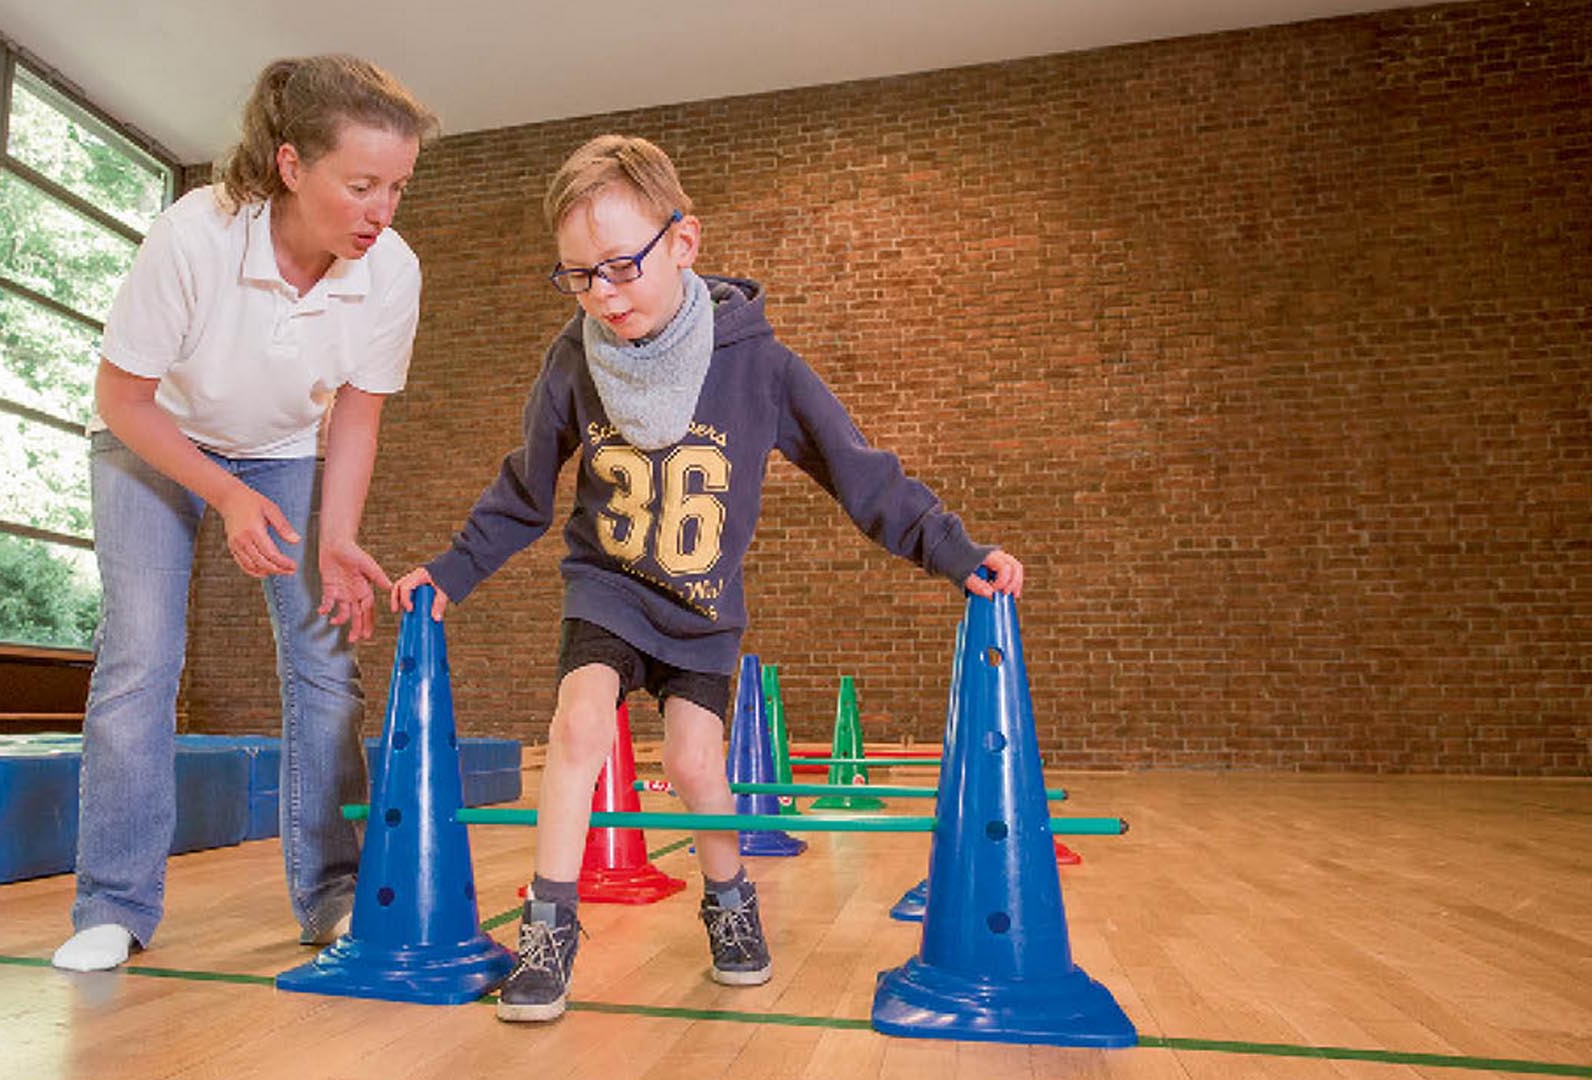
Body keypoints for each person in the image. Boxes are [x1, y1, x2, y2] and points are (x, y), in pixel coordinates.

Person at [391, 134, 1024, 1021]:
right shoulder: (575, 363)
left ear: (682, 242)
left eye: (620, 267)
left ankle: (729, 903)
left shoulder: (759, 366)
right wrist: (452, 571)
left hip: (702, 609)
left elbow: (861, 475)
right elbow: (526, 490)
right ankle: (548, 930)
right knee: (577, 726)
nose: (603, 295)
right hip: (607, 586)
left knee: (696, 763)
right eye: (578, 276)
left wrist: (957, 552)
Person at [52, 56, 438, 973]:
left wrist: (337, 534)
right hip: (154, 441)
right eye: (361, 185)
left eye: (398, 187)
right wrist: (224, 494)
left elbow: (357, 412)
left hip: (287, 452)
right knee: (142, 657)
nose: (382, 210)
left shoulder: (390, 273)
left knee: (325, 662)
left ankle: (335, 894)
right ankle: (112, 905)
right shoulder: (195, 236)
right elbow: (123, 399)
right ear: (292, 164)